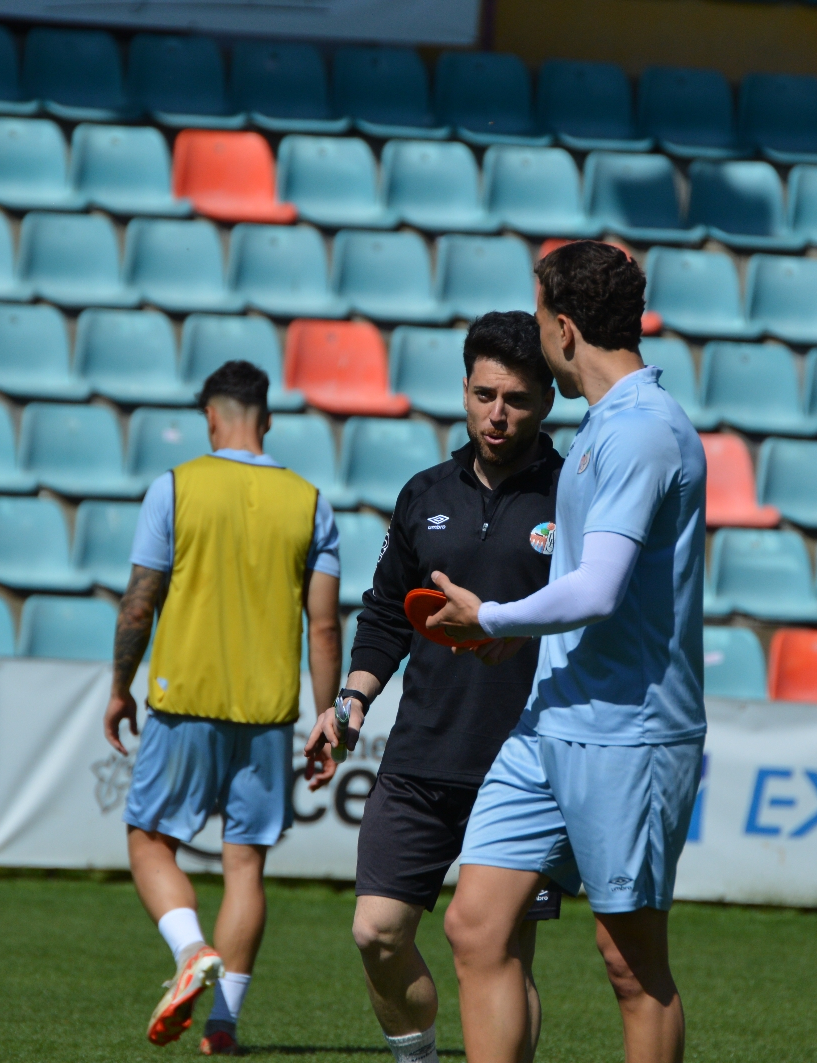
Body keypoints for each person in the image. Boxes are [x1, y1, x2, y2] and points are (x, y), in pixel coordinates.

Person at [427, 241, 708, 1063]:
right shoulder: (604, 426)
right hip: (551, 719)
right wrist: (509, 633)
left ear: (564, 326)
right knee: (475, 924)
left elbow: (597, 589)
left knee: (630, 964)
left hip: (629, 732)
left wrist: (494, 619)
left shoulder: (643, 432)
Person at [302, 310, 565, 1063]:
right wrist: (350, 701)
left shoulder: (573, 498)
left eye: (515, 397)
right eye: (484, 394)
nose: (497, 412)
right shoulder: (422, 493)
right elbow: (386, 612)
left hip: (521, 764)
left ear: (546, 398)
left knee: (502, 955)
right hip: (419, 757)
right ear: (463, 388)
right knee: (375, 931)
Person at [104, 359, 343, 1056]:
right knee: (246, 866)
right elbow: (324, 628)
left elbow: (139, 599)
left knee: (149, 838)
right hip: (268, 710)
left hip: (186, 696)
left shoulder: (175, 487)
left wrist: (121, 685)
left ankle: (189, 951)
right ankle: (222, 1026)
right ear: (265, 420)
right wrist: (326, 717)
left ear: (211, 418)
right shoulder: (310, 501)